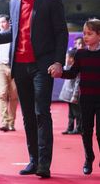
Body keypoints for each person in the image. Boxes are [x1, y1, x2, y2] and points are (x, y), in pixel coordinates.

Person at [0, 0, 68, 178]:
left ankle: (44, 164)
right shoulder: (14, 2)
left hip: (42, 65)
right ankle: (34, 160)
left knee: (41, 113)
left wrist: (58, 62)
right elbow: (13, 33)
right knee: (27, 115)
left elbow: (61, 32)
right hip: (19, 66)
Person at [49, 18, 100, 175]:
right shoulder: (80, 54)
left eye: (89, 34)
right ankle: (88, 157)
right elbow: (72, 73)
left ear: (99, 35)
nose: (85, 37)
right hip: (85, 98)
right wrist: (60, 73)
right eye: (84, 33)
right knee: (86, 130)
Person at [0, 14, 18, 132]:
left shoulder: (14, 36)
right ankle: (4, 122)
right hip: (0, 67)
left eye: (3, 22)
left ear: (8, 23)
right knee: (1, 95)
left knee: (14, 96)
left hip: (14, 68)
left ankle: (11, 122)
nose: (1, 24)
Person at [59, 49, 82, 135]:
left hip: (74, 95)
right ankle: (70, 127)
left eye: (67, 57)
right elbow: (64, 69)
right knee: (71, 113)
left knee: (77, 113)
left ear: (72, 59)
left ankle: (79, 128)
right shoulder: (68, 67)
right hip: (68, 95)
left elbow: (77, 83)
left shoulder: (77, 69)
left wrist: (75, 96)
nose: (66, 59)